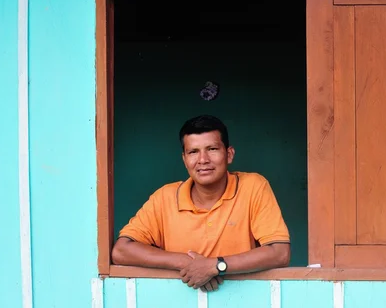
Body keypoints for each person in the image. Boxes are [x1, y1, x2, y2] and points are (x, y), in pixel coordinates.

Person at [112, 115, 291, 292]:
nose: (203, 160)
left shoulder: (253, 186)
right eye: (193, 152)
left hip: (245, 305)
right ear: (184, 159)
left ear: (229, 154)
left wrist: (216, 266)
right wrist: (188, 263)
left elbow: (280, 252)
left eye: (212, 149)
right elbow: (121, 251)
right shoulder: (165, 197)